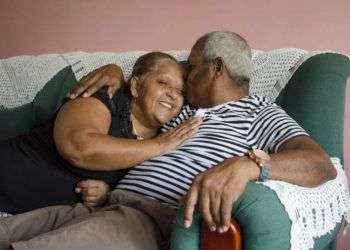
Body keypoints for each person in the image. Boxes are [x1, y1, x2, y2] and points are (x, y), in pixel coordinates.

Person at [0, 31, 336, 250]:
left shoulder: (258, 113)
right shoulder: (183, 110)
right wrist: (115, 70)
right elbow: (135, 111)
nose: (186, 77)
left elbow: (320, 164)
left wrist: (250, 167)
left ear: (216, 68)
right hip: (101, 205)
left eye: (191, 66)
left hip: (146, 221)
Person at [0, 52, 201, 215]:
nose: (173, 94)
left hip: (32, 223)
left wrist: (109, 193)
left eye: (181, 92)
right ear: (136, 86)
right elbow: (79, 148)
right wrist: (160, 145)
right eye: (163, 83)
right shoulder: (105, 94)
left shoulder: (171, 136)